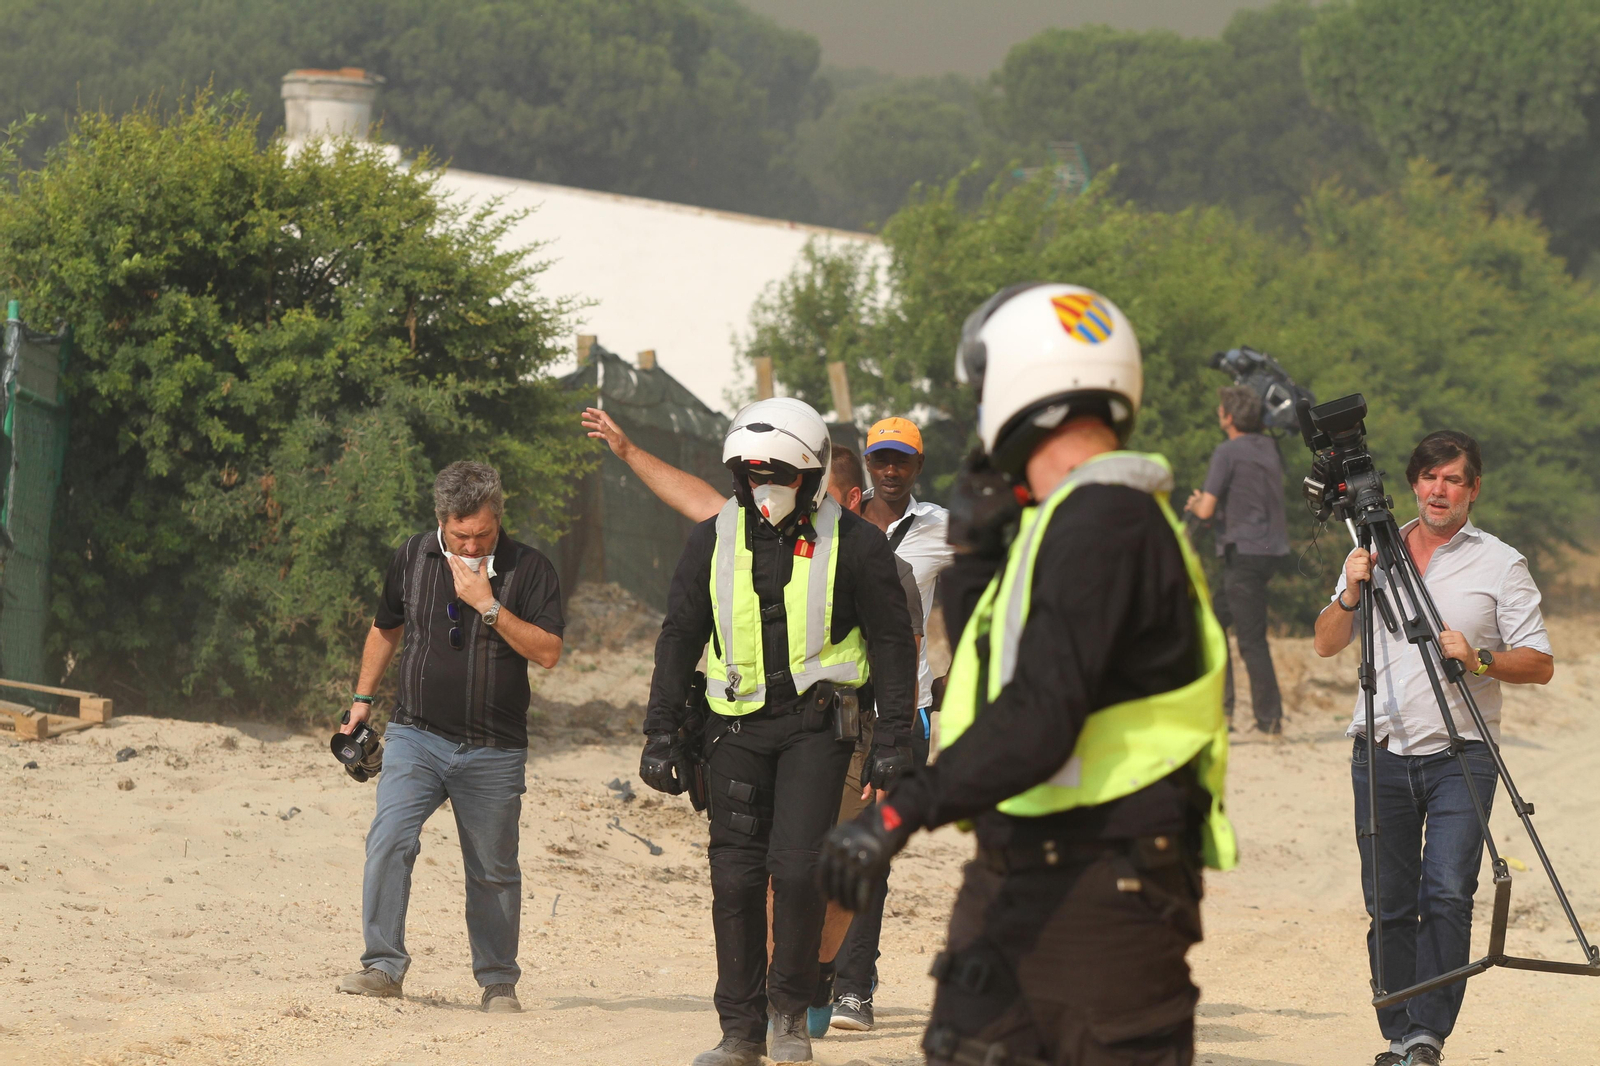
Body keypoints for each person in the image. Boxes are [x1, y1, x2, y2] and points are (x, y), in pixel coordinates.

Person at [818, 282, 1237, 1066]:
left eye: (983, 388)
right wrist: (979, 561)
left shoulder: (1109, 522)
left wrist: (899, 813)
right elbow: (993, 666)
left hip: (1106, 886)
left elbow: (1044, 713)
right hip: (1021, 866)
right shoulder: (1063, 522)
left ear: (1021, 381)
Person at [582, 406, 948, 1034]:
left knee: (804, 868)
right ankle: (741, 1029)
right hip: (733, 729)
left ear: (811, 478)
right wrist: (661, 730)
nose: (765, 487)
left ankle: (798, 1000)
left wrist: (892, 738)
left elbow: (894, 645)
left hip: (823, 729)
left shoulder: (858, 546)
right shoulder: (714, 536)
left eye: (779, 474)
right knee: (737, 880)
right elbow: (679, 636)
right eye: (753, 475)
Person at [1312, 431, 1554, 1066]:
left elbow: (1539, 662)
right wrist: (1351, 591)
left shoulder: (1501, 563)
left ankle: (1426, 1035)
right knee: (1388, 903)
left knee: (1446, 891)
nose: (1438, 490)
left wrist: (1479, 659)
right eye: (1429, 478)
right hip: (1380, 751)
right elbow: (1325, 642)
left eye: (1453, 480)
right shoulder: (1370, 550)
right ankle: (1398, 1032)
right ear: (1413, 484)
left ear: (1473, 489)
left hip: (1463, 754)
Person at [337, 461, 566, 1013]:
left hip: (495, 746)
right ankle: (383, 966)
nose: (470, 545)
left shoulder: (530, 569)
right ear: (441, 520)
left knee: (492, 868)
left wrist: (487, 604)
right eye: (459, 535)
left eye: (482, 534)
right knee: (390, 838)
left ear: (498, 519)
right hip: (416, 733)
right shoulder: (413, 556)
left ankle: (497, 983)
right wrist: (361, 701)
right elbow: (385, 626)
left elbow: (548, 652)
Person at [831, 416, 954, 1032]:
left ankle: (855, 985)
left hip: (906, 716)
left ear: (916, 468)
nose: (890, 471)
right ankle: (828, 970)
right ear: (868, 471)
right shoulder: (839, 532)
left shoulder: (940, 529)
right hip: (836, 712)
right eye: (881, 460)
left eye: (901, 461)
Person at [1184, 384, 1290, 733]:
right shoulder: (1269, 447)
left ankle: (1268, 720)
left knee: (1250, 638)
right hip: (1269, 550)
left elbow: (1208, 508)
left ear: (1228, 417)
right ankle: (1225, 709)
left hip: (1242, 552)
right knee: (1216, 623)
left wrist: (1196, 504)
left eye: (1220, 410)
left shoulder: (1227, 451)